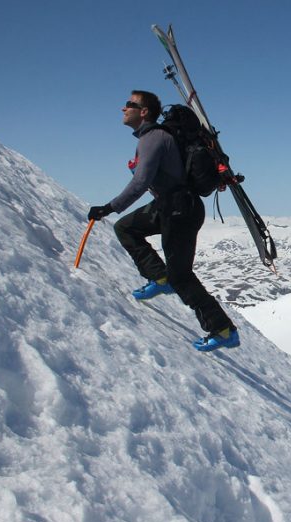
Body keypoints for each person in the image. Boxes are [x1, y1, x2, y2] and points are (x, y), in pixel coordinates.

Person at [88, 90, 239, 352]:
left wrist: (109, 207)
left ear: (143, 112)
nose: (123, 109)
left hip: (180, 208)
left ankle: (224, 330)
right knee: (126, 227)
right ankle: (159, 278)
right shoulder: (152, 138)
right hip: (172, 205)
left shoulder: (153, 137)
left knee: (181, 275)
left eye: (129, 104)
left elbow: (141, 181)